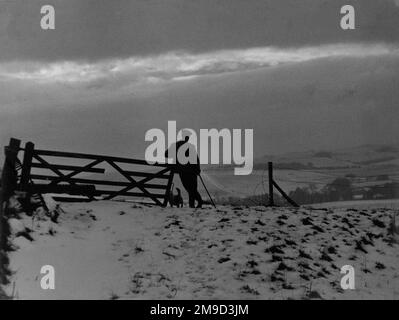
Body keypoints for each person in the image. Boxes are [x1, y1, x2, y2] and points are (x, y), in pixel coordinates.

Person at [165, 132, 203, 208]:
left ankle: (194, 204)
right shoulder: (187, 146)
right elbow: (196, 159)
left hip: (184, 171)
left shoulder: (177, 145)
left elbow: (166, 154)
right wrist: (197, 169)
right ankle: (197, 203)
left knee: (190, 189)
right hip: (190, 171)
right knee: (192, 189)